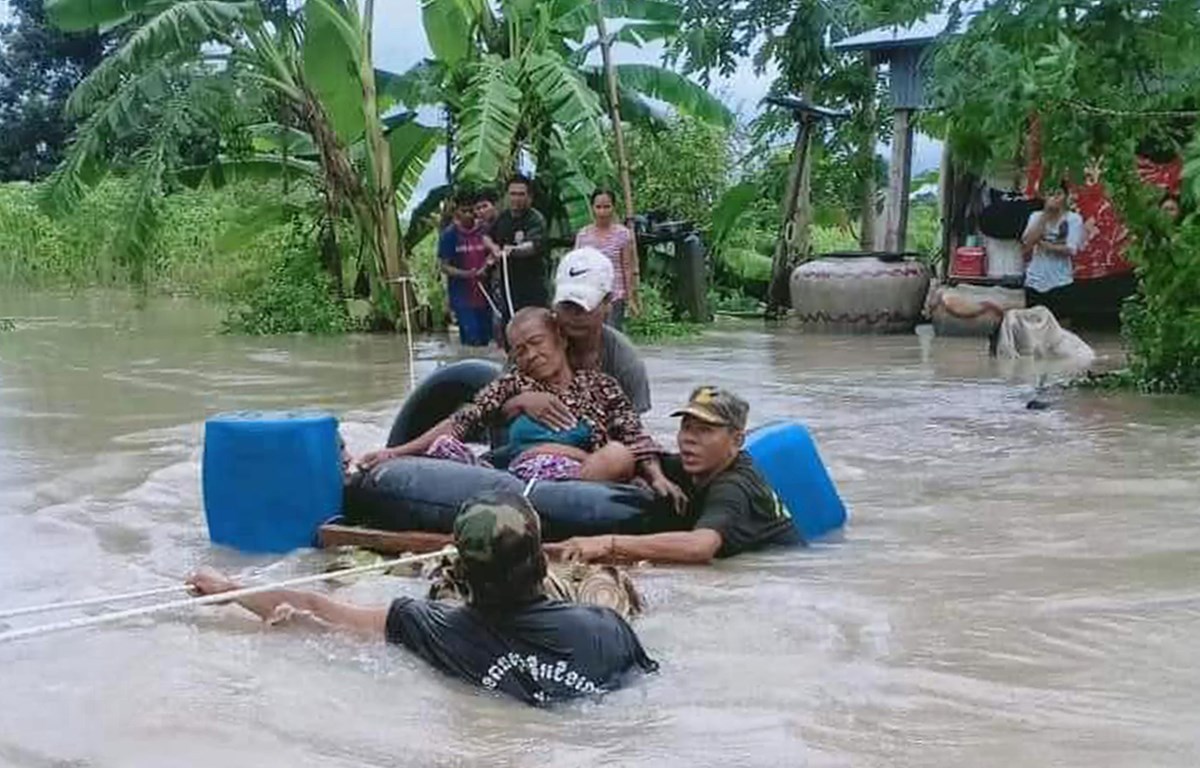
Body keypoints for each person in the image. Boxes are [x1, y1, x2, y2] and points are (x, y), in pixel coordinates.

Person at [186, 492, 659, 707]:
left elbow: (316, 610)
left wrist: (231, 591)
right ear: (541, 565)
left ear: (458, 574)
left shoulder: (430, 626)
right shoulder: (607, 626)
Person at [359, 308, 683, 501]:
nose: (530, 355)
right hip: (517, 478)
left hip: (581, 479)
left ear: (560, 338)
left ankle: (561, 501)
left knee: (618, 454)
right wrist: (395, 453)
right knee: (445, 447)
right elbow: (463, 422)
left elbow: (633, 434)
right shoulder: (513, 384)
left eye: (536, 343)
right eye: (520, 350)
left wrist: (656, 477)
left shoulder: (600, 385)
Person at [552, 386, 802, 565]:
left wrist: (607, 544)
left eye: (705, 430)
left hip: (775, 575)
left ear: (736, 441)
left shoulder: (734, 485)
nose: (690, 439)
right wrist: (655, 477)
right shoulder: (690, 465)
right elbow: (634, 456)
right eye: (687, 428)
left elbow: (700, 547)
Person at [502, 248, 652, 434]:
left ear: (607, 304)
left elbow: (632, 433)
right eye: (567, 305)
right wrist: (521, 401)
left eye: (583, 307)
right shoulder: (531, 346)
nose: (574, 315)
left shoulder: (625, 362)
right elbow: (490, 410)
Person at [487, 175, 549, 324]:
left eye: (521, 194)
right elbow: (487, 236)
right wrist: (493, 248)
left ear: (529, 197)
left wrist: (514, 250)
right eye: (513, 194)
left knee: (533, 327)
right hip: (508, 285)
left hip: (533, 287)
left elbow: (532, 246)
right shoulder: (503, 218)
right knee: (509, 328)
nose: (516, 198)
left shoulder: (535, 219)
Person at [575, 189, 638, 329]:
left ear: (613, 207)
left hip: (615, 294)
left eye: (606, 207)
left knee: (613, 333)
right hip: (590, 294)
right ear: (592, 208)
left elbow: (627, 266)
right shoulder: (583, 235)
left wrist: (630, 297)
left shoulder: (623, 234)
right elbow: (577, 267)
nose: (602, 212)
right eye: (598, 207)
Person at [438, 191, 493, 347]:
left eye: (471, 210)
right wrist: (467, 274)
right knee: (471, 339)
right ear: (456, 212)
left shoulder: (486, 230)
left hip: (486, 294)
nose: (469, 215)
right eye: (464, 211)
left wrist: (485, 267)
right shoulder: (449, 235)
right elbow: (444, 266)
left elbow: (495, 254)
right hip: (462, 297)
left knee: (487, 340)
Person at [1021, 181, 1085, 314]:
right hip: (1034, 281)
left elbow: (1070, 249)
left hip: (1061, 281)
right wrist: (1045, 215)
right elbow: (1027, 243)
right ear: (1044, 197)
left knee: (1061, 326)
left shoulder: (1074, 219)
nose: (1055, 198)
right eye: (1050, 194)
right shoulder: (1036, 217)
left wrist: (1045, 245)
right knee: (1033, 324)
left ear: (1066, 196)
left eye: (1059, 194)